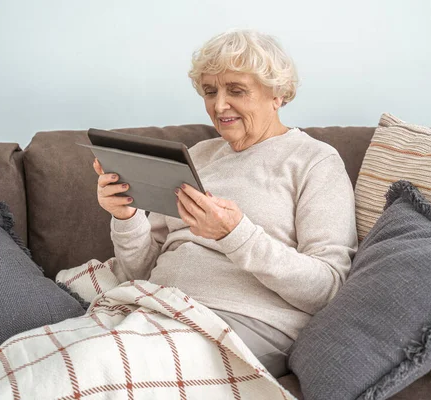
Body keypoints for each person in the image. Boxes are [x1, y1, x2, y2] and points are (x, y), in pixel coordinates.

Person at [92, 29, 357, 377]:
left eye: (236, 90)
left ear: (277, 95)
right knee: (49, 360)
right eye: (210, 91)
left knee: (102, 367)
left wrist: (236, 234)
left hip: (245, 323)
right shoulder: (197, 156)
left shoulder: (314, 161)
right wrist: (125, 216)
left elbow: (328, 288)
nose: (219, 106)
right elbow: (139, 271)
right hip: (156, 308)